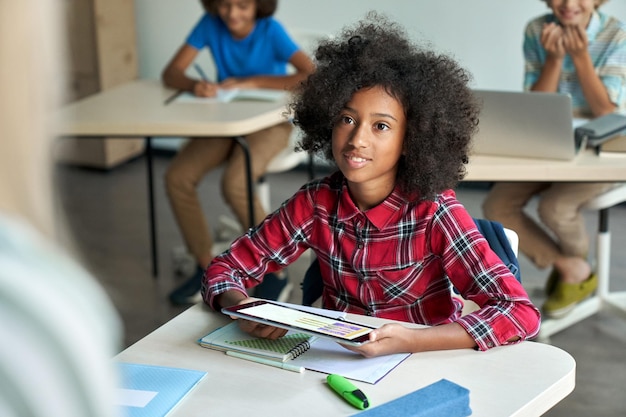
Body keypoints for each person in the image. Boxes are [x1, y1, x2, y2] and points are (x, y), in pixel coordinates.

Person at [201, 14, 541, 356]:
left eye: (381, 126)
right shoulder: (315, 203)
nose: (357, 139)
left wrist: (411, 341)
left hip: (421, 359)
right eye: (347, 119)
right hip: (333, 359)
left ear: (411, 140)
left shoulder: (435, 212)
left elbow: (520, 313)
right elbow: (224, 269)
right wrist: (243, 308)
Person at [0, 1, 123, 416]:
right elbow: (224, 272)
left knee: (234, 178)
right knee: (179, 177)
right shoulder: (32, 319)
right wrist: (238, 299)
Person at [162, 0, 315, 305]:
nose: (232, 14)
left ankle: (274, 272)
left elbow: (308, 74)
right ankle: (207, 267)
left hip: (269, 124)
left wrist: (252, 81)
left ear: (259, 5)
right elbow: (171, 73)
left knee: (235, 182)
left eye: (242, 5)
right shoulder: (209, 25)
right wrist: (196, 85)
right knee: (177, 176)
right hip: (225, 121)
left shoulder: (270, 30)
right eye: (225, 5)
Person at [483, 0, 626, 319]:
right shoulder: (537, 29)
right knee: (496, 206)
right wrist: (555, 59)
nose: (569, 4)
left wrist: (580, 56)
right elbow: (534, 105)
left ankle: (574, 278)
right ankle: (572, 268)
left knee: (555, 207)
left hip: (602, 148)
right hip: (550, 142)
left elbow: (606, 111)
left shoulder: (616, 34)